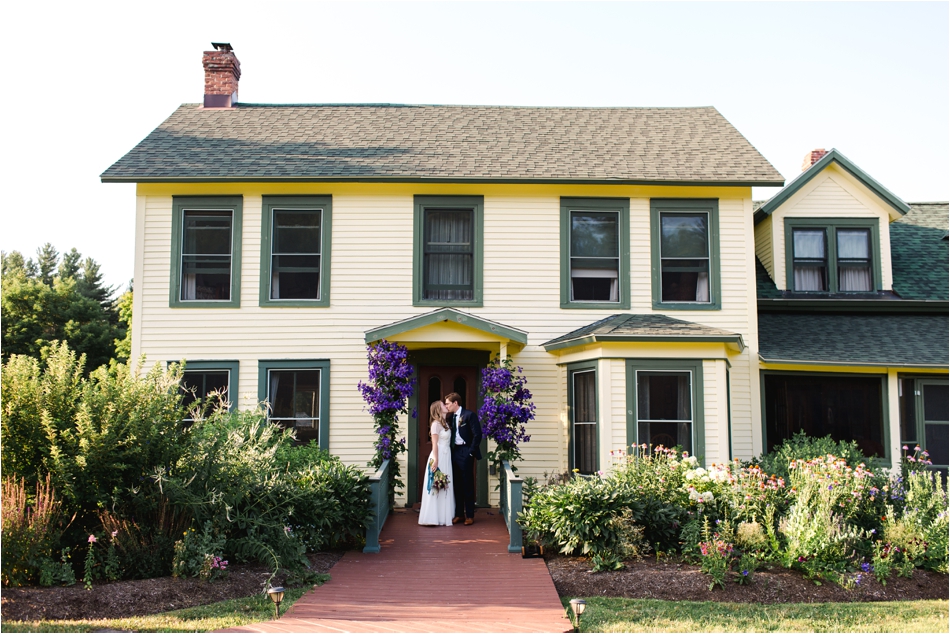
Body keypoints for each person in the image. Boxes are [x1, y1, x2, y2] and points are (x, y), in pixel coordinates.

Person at [445, 392, 482, 525]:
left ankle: (470, 515)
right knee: (457, 484)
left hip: (466, 451)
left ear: (455, 403)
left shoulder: (469, 415)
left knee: (467, 483)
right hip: (455, 451)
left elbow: (477, 435)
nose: (446, 406)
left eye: (448, 403)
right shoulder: (450, 417)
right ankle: (459, 514)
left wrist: (471, 452)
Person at [418, 400, 455, 526]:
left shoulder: (445, 423)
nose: (446, 406)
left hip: (447, 455)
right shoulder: (435, 424)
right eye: (443, 405)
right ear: (438, 409)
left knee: (445, 483)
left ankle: (444, 516)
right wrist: (436, 460)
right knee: (436, 484)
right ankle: (433, 516)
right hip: (438, 456)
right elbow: (434, 444)